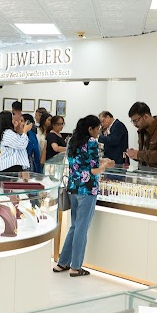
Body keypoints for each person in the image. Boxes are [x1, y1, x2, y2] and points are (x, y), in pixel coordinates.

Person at [54, 115, 116, 277]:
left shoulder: (72, 141)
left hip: (73, 188)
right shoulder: (92, 142)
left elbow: (81, 163)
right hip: (87, 190)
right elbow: (93, 170)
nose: (99, 132)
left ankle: (62, 262)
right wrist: (106, 165)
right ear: (90, 129)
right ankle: (75, 266)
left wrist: (100, 161)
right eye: (98, 129)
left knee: (74, 226)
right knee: (81, 228)